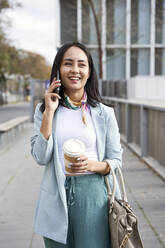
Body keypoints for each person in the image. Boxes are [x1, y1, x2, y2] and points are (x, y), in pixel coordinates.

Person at [30, 41, 123, 248]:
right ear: (58, 70)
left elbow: (116, 160)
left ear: (89, 72)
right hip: (56, 194)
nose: (75, 70)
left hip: (94, 197)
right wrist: (49, 112)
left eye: (82, 64)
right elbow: (40, 157)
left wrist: (93, 165)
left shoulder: (104, 113)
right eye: (68, 64)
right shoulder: (44, 110)